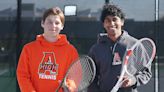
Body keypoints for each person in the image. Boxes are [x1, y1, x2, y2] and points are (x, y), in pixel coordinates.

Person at [87, 4, 152, 92]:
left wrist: (133, 80)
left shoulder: (135, 45)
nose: (112, 23)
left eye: (114, 19)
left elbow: (146, 72)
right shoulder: (95, 49)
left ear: (122, 22)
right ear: (103, 24)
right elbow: (90, 79)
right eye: (108, 21)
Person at [16, 7, 78, 92]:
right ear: (42, 23)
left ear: (62, 26)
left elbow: (74, 76)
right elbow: (22, 74)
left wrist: (70, 87)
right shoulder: (28, 49)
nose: (53, 26)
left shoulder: (71, 50)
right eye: (49, 22)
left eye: (57, 23)